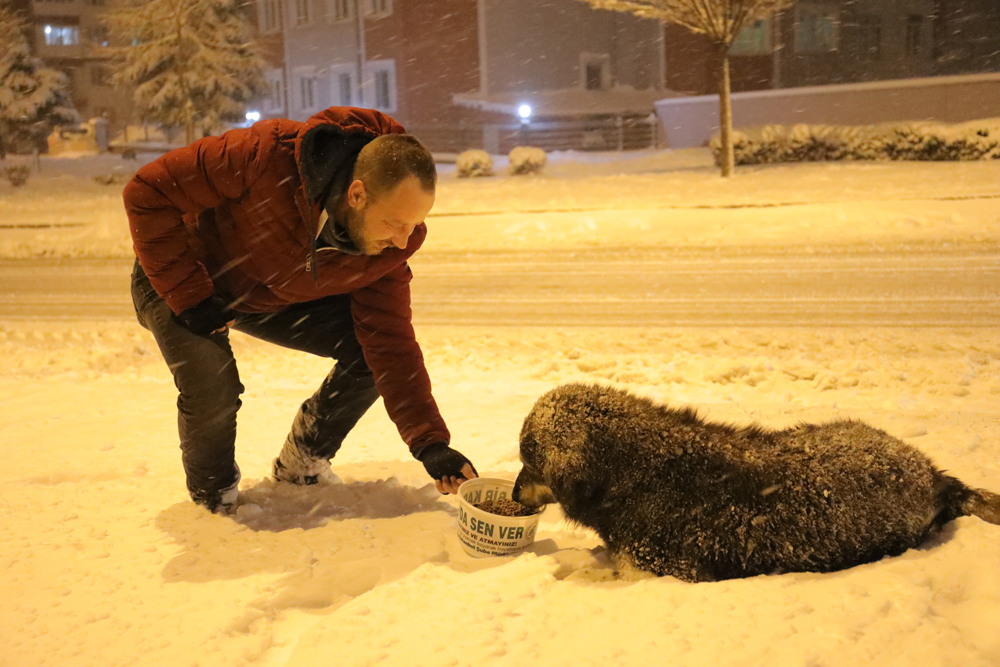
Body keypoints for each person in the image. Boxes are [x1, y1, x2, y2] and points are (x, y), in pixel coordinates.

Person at [123, 106, 478, 514]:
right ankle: (213, 498)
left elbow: (391, 342)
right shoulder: (263, 156)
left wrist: (430, 443)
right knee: (212, 383)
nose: (403, 241)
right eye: (394, 223)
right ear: (357, 194)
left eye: (414, 225)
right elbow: (147, 191)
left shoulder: (386, 251)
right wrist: (189, 294)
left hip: (268, 294)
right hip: (175, 277)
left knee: (369, 352)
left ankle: (302, 462)